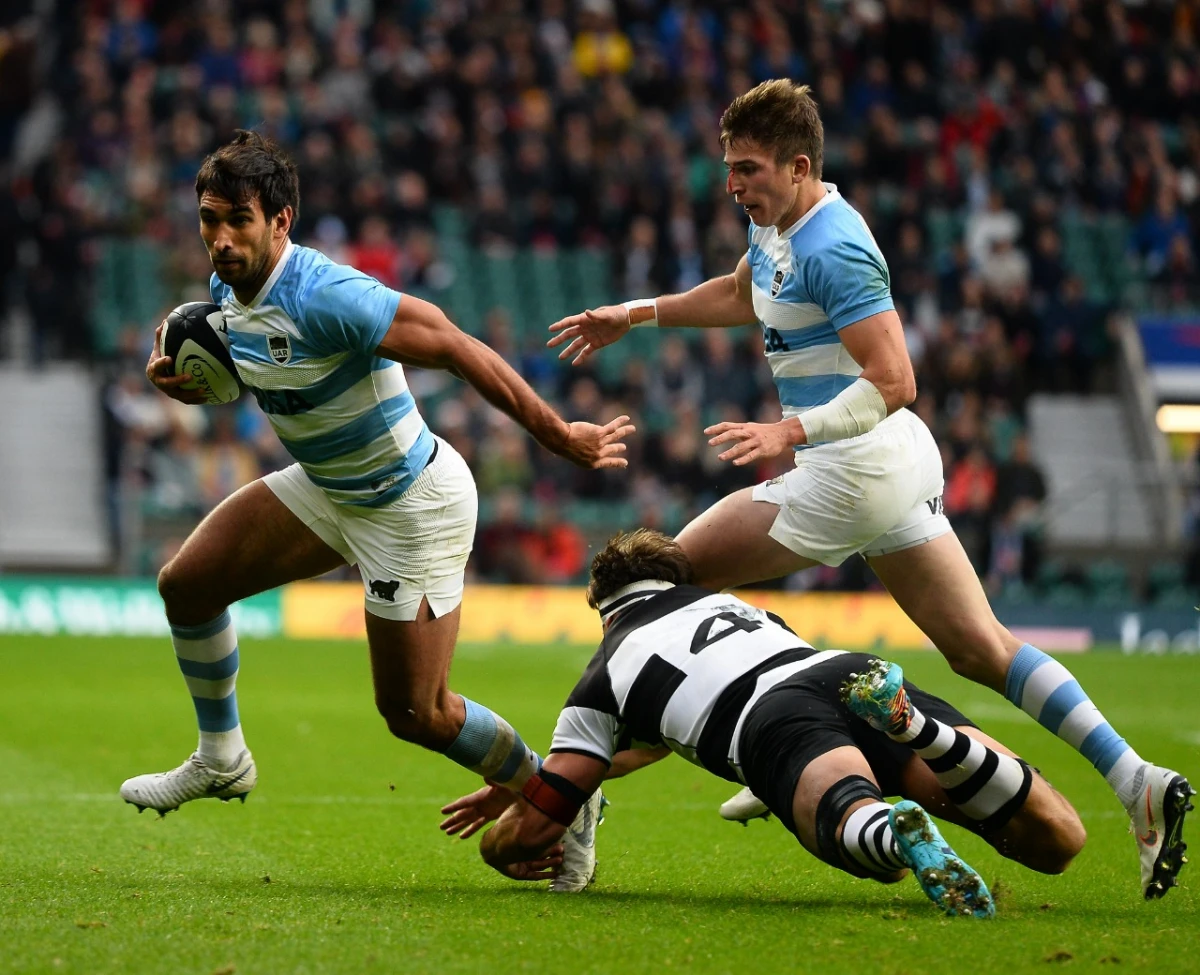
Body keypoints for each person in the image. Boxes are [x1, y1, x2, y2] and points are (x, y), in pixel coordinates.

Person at [547, 80, 1192, 900]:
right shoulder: (775, 222)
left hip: (854, 463)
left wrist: (789, 433)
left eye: (747, 169)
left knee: (660, 584)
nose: (733, 185)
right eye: (728, 169)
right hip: (882, 467)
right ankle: (1137, 779)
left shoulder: (835, 246)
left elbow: (897, 376)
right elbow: (741, 294)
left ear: (800, 164)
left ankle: (607, 783)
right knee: (980, 647)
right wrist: (631, 314)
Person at [120, 131, 633, 841]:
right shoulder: (224, 288)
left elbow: (454, 344)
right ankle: (221, 757)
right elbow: (219, 343)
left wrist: (557, 434)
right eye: (210, 219)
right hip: (331, 488)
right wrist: (167, 371)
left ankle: (560, 797)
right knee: (188, 583)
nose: (221, 238)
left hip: (408, 503)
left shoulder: (328, 295)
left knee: (419, 712)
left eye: (239, 219)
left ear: (281, 222)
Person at [439, 529, 1088, 917]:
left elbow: (543, 822)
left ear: (601, 604)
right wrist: (550, 774)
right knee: (1055, 840)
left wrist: (503, 845)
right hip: (842, 669)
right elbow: (653, 739)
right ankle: (923, 735)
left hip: (772, 719)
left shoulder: (605, 673)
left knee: (862, 839)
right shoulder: (735, 606)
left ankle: (892, 829)